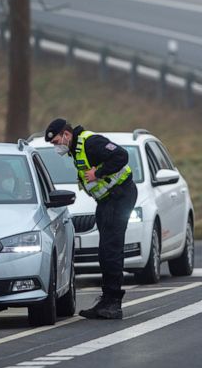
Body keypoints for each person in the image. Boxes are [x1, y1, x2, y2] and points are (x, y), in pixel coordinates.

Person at [45, 117, 136, 319]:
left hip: (119, 196)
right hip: (107, 200)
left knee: (111, 250)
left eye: (56, 142)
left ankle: (113, 303)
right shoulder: (76, 148)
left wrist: (99, 173)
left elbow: (121, 155)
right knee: (105, 251)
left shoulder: (91, 142)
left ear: (66, 134)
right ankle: (107, 300)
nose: (56, 147)